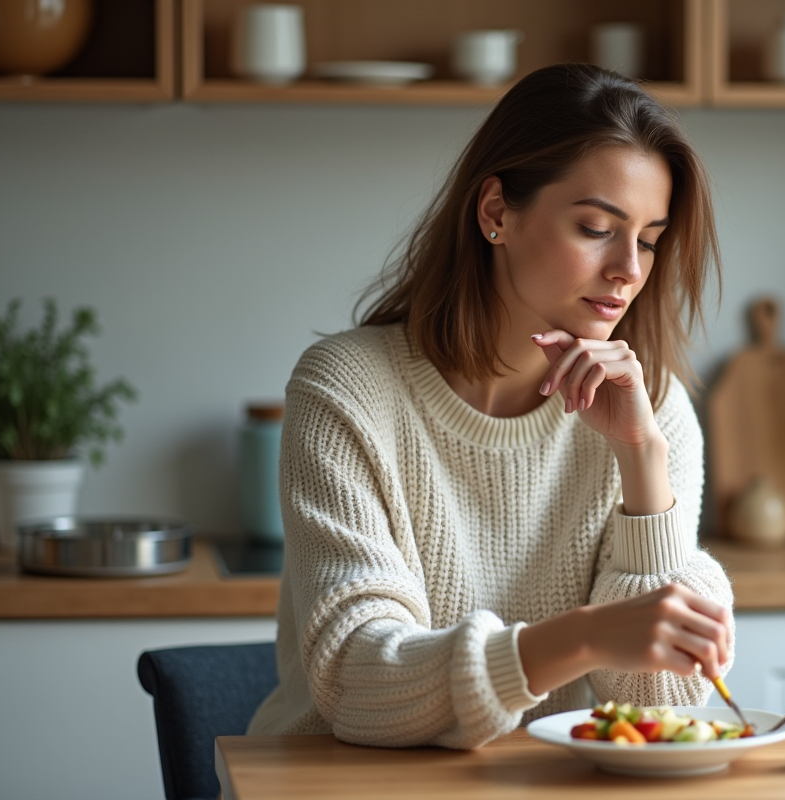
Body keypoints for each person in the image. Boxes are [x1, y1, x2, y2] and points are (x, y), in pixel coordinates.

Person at [247, 63, 734, 750]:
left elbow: (670, 699)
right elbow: (360, 684)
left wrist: (643, 466)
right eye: (598, 227)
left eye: (649, 240)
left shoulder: (647, 406)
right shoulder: (348, 389)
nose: (629, 268)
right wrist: (585, 637)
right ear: (496, 212)